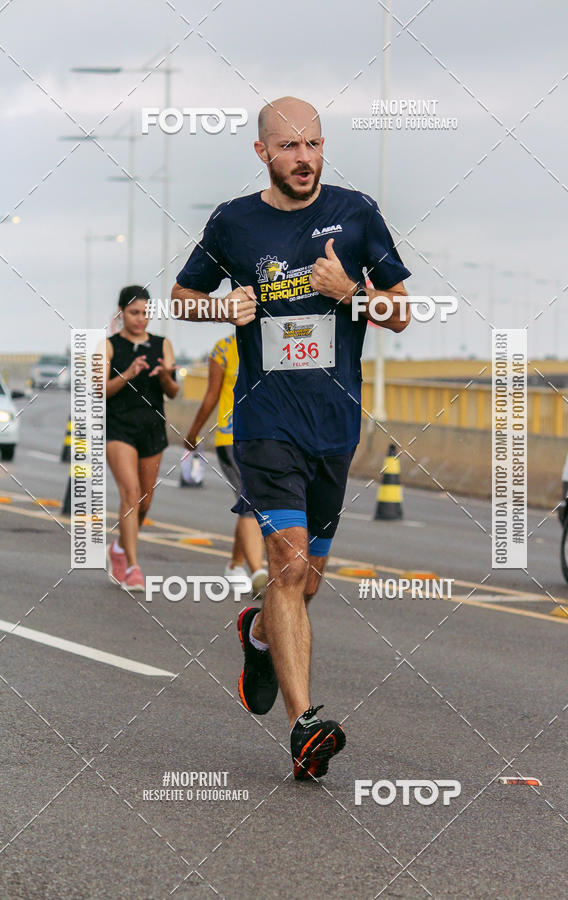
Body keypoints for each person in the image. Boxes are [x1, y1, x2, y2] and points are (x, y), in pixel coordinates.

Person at [172, 96, 411, 780]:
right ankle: (305, 726)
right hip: (264, 424)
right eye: (289, 147)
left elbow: (401, 312)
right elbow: (184, 297)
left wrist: (351, 293)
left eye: (313, 145)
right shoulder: (233, 222)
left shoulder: (357, 212)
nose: (303, 158)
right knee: (287, 566)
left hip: (333, 427)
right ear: (262, 154)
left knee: (305, 584)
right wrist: (221, 305)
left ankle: (256, 631)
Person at [105, 285, 179, 591]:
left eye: (146, 313)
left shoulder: (162, 345)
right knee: (130, 493)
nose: (140, 319)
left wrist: (164, 376)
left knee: (145, 501)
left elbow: (174, 392)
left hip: (151, 426)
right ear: (122, 313)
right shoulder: (109, 347)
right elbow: (100, 389)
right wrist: (129, 373)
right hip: (118, 427)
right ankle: (133, 567)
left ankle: (119, 547)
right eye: (134, 313)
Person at [184, 332, 268, 596]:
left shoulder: (273, 341)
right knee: (251, 500)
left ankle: (235, 564)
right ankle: (258, 573)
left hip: (268, 436)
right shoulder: (223, 349)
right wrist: (193, 432)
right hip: (232, 438)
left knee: (254, 503)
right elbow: (212, 395)